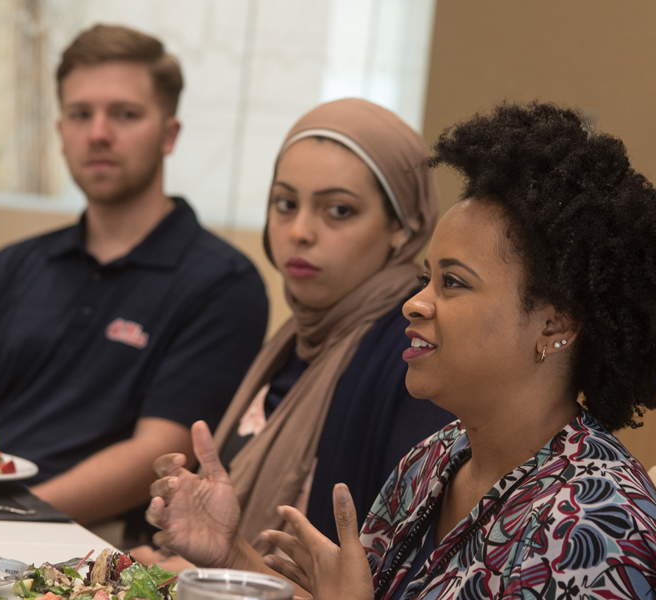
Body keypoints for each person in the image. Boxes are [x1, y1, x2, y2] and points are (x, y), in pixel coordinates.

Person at [147, 102, 656, 599]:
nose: (415, 304)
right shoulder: (438, 459)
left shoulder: (594, 526)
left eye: (454, 283)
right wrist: (228, 554)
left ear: (554, 322)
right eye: (426, 278)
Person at [0, 24, 268, 527]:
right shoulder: (13, 265)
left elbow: (157, 456)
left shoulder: (224, 284)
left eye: (125, 114)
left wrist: (4, 516)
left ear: (169, 134)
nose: (99, 133)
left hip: (94, 542)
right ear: (61, 131)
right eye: (80, 114)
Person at [133, 98, 455, 565]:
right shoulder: (293, 341)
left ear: (402, 228)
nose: (300, 231)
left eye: (338, 210)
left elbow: (389, 573)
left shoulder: (413, 355)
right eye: (285, 204)